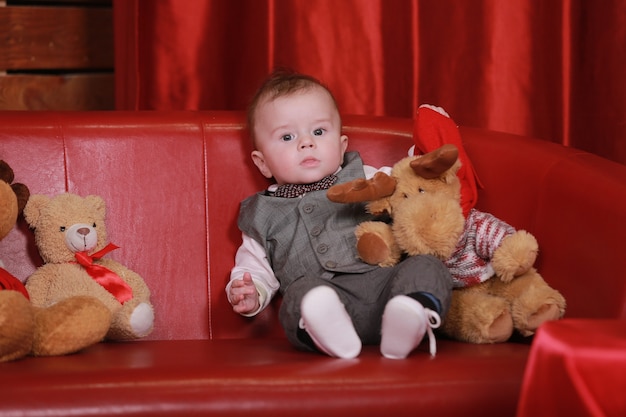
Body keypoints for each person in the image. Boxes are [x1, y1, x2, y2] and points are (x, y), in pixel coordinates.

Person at [226, 70, 453, 359]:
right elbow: (254, 267)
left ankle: (411, 313)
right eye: (287, 136)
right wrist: (250, 291)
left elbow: (407, 189)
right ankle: (329, 333)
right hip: (331, 301)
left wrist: (419, 174)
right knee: (299, 296)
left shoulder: (367, 178)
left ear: (342, 145)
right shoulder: (261, 215)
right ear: (263, 163)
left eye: (319, 132)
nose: (306, 143)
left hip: (389, 287)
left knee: (425, 266)